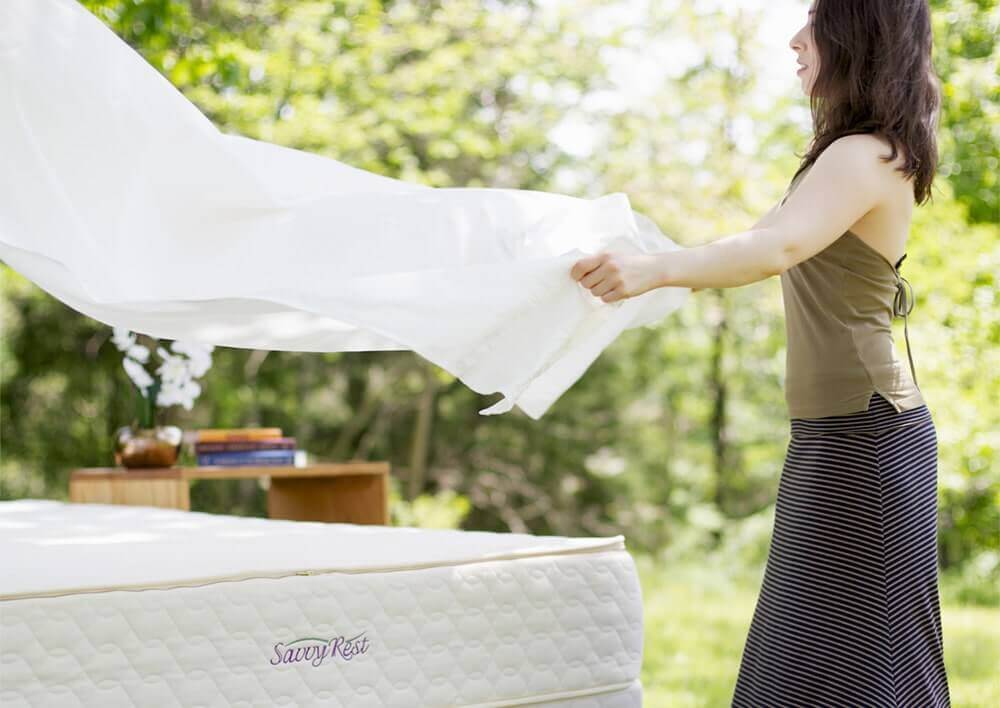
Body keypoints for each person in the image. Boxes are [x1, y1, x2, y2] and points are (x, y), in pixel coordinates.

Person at [570, 0, 952, 705]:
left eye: (815, 21)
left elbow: (773, 249)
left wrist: (653, 270)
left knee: (856, 665)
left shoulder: (865, 155)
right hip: (843, 435)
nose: (795, 40)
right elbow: (743, 246)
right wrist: (635, 263)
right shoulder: (843, 159)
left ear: (857, 35)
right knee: (807, 659)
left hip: (865, 438)